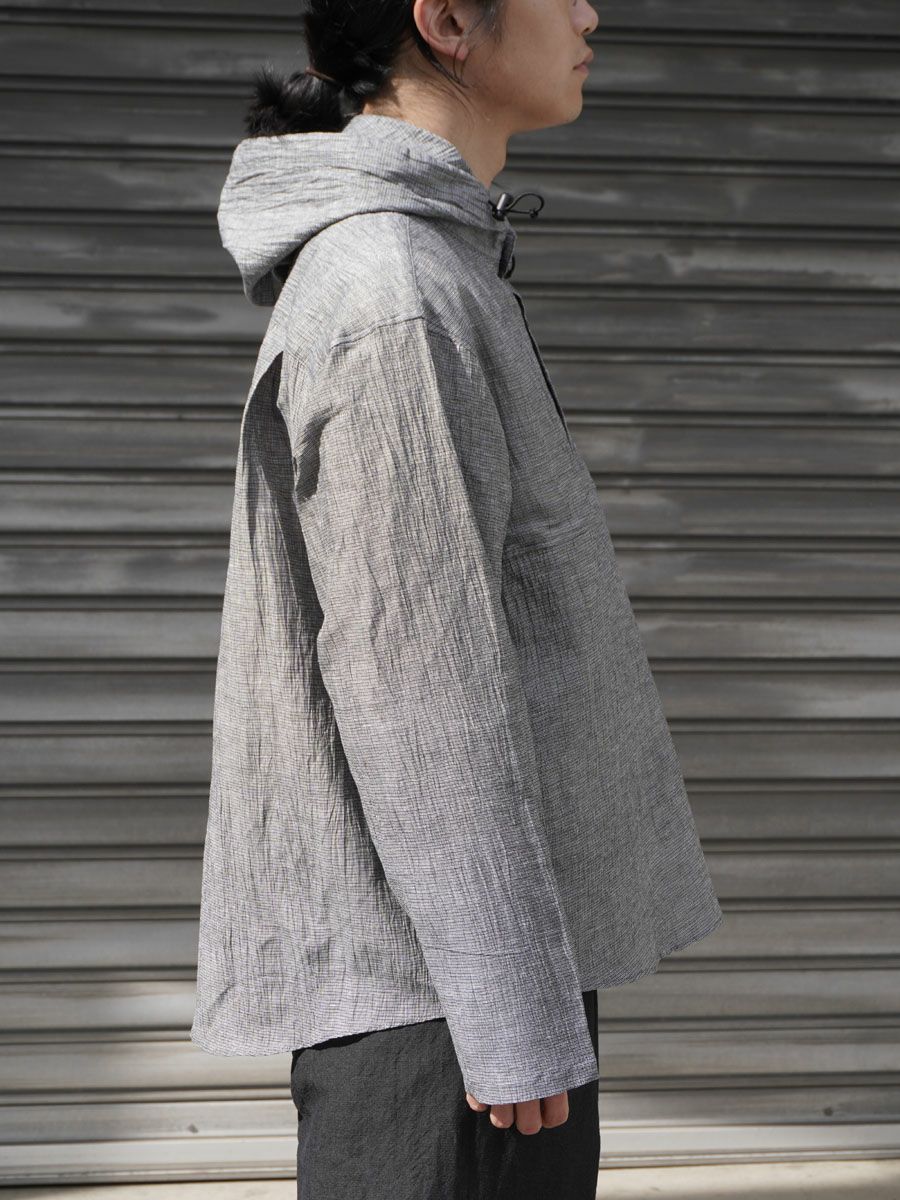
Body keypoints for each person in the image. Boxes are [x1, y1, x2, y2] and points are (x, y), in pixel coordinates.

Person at [190, 0, 725, 1195]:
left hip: (473, 978)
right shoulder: (393, 290)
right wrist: (511, 1011)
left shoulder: (434, 262)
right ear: (445, 20)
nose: (589, 11)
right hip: (443, 1005)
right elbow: (418, 686)